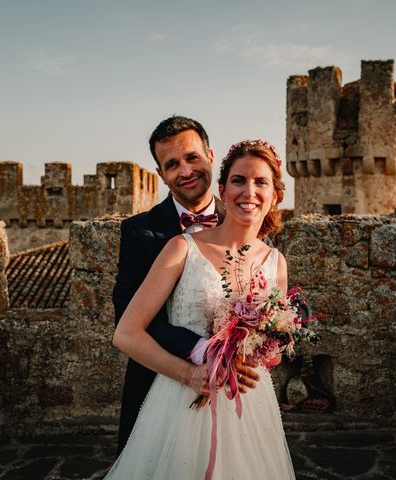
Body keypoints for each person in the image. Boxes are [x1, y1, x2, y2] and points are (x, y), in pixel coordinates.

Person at [106, 140, 295, 479]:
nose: (248, 191)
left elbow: (273, 347)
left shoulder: (276, 263)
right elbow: (126, 333)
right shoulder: (181, 249)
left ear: (276, 195)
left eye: (261, 181)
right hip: (182, 399)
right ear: (222, 189)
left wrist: (257, 350)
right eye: (238, 180)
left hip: (250, 403)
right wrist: (189, 374)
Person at [111, 116, 260, 454]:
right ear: (161, 174)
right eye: (172, 164)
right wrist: (200, 351)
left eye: (192, 157)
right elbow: (127, 315)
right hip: (159, 382)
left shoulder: (244, 219)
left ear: (210, 155)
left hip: (234, 386)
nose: (185, 170)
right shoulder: (138, 232)